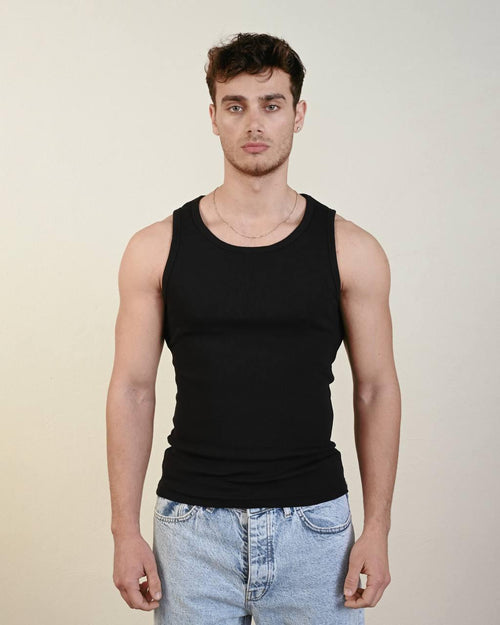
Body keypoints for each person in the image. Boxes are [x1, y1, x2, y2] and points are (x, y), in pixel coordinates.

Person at [106, 32, 401, 625]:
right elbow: (133, 390)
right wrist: (124, 531)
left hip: (316, 530)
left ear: (298, 114)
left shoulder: (352, 250)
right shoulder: (155, 248)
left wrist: (377, 529)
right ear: (213, 117)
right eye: (235, 106)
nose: (254, 123)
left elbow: (376, 389)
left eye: (272, 104)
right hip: (191, 531)